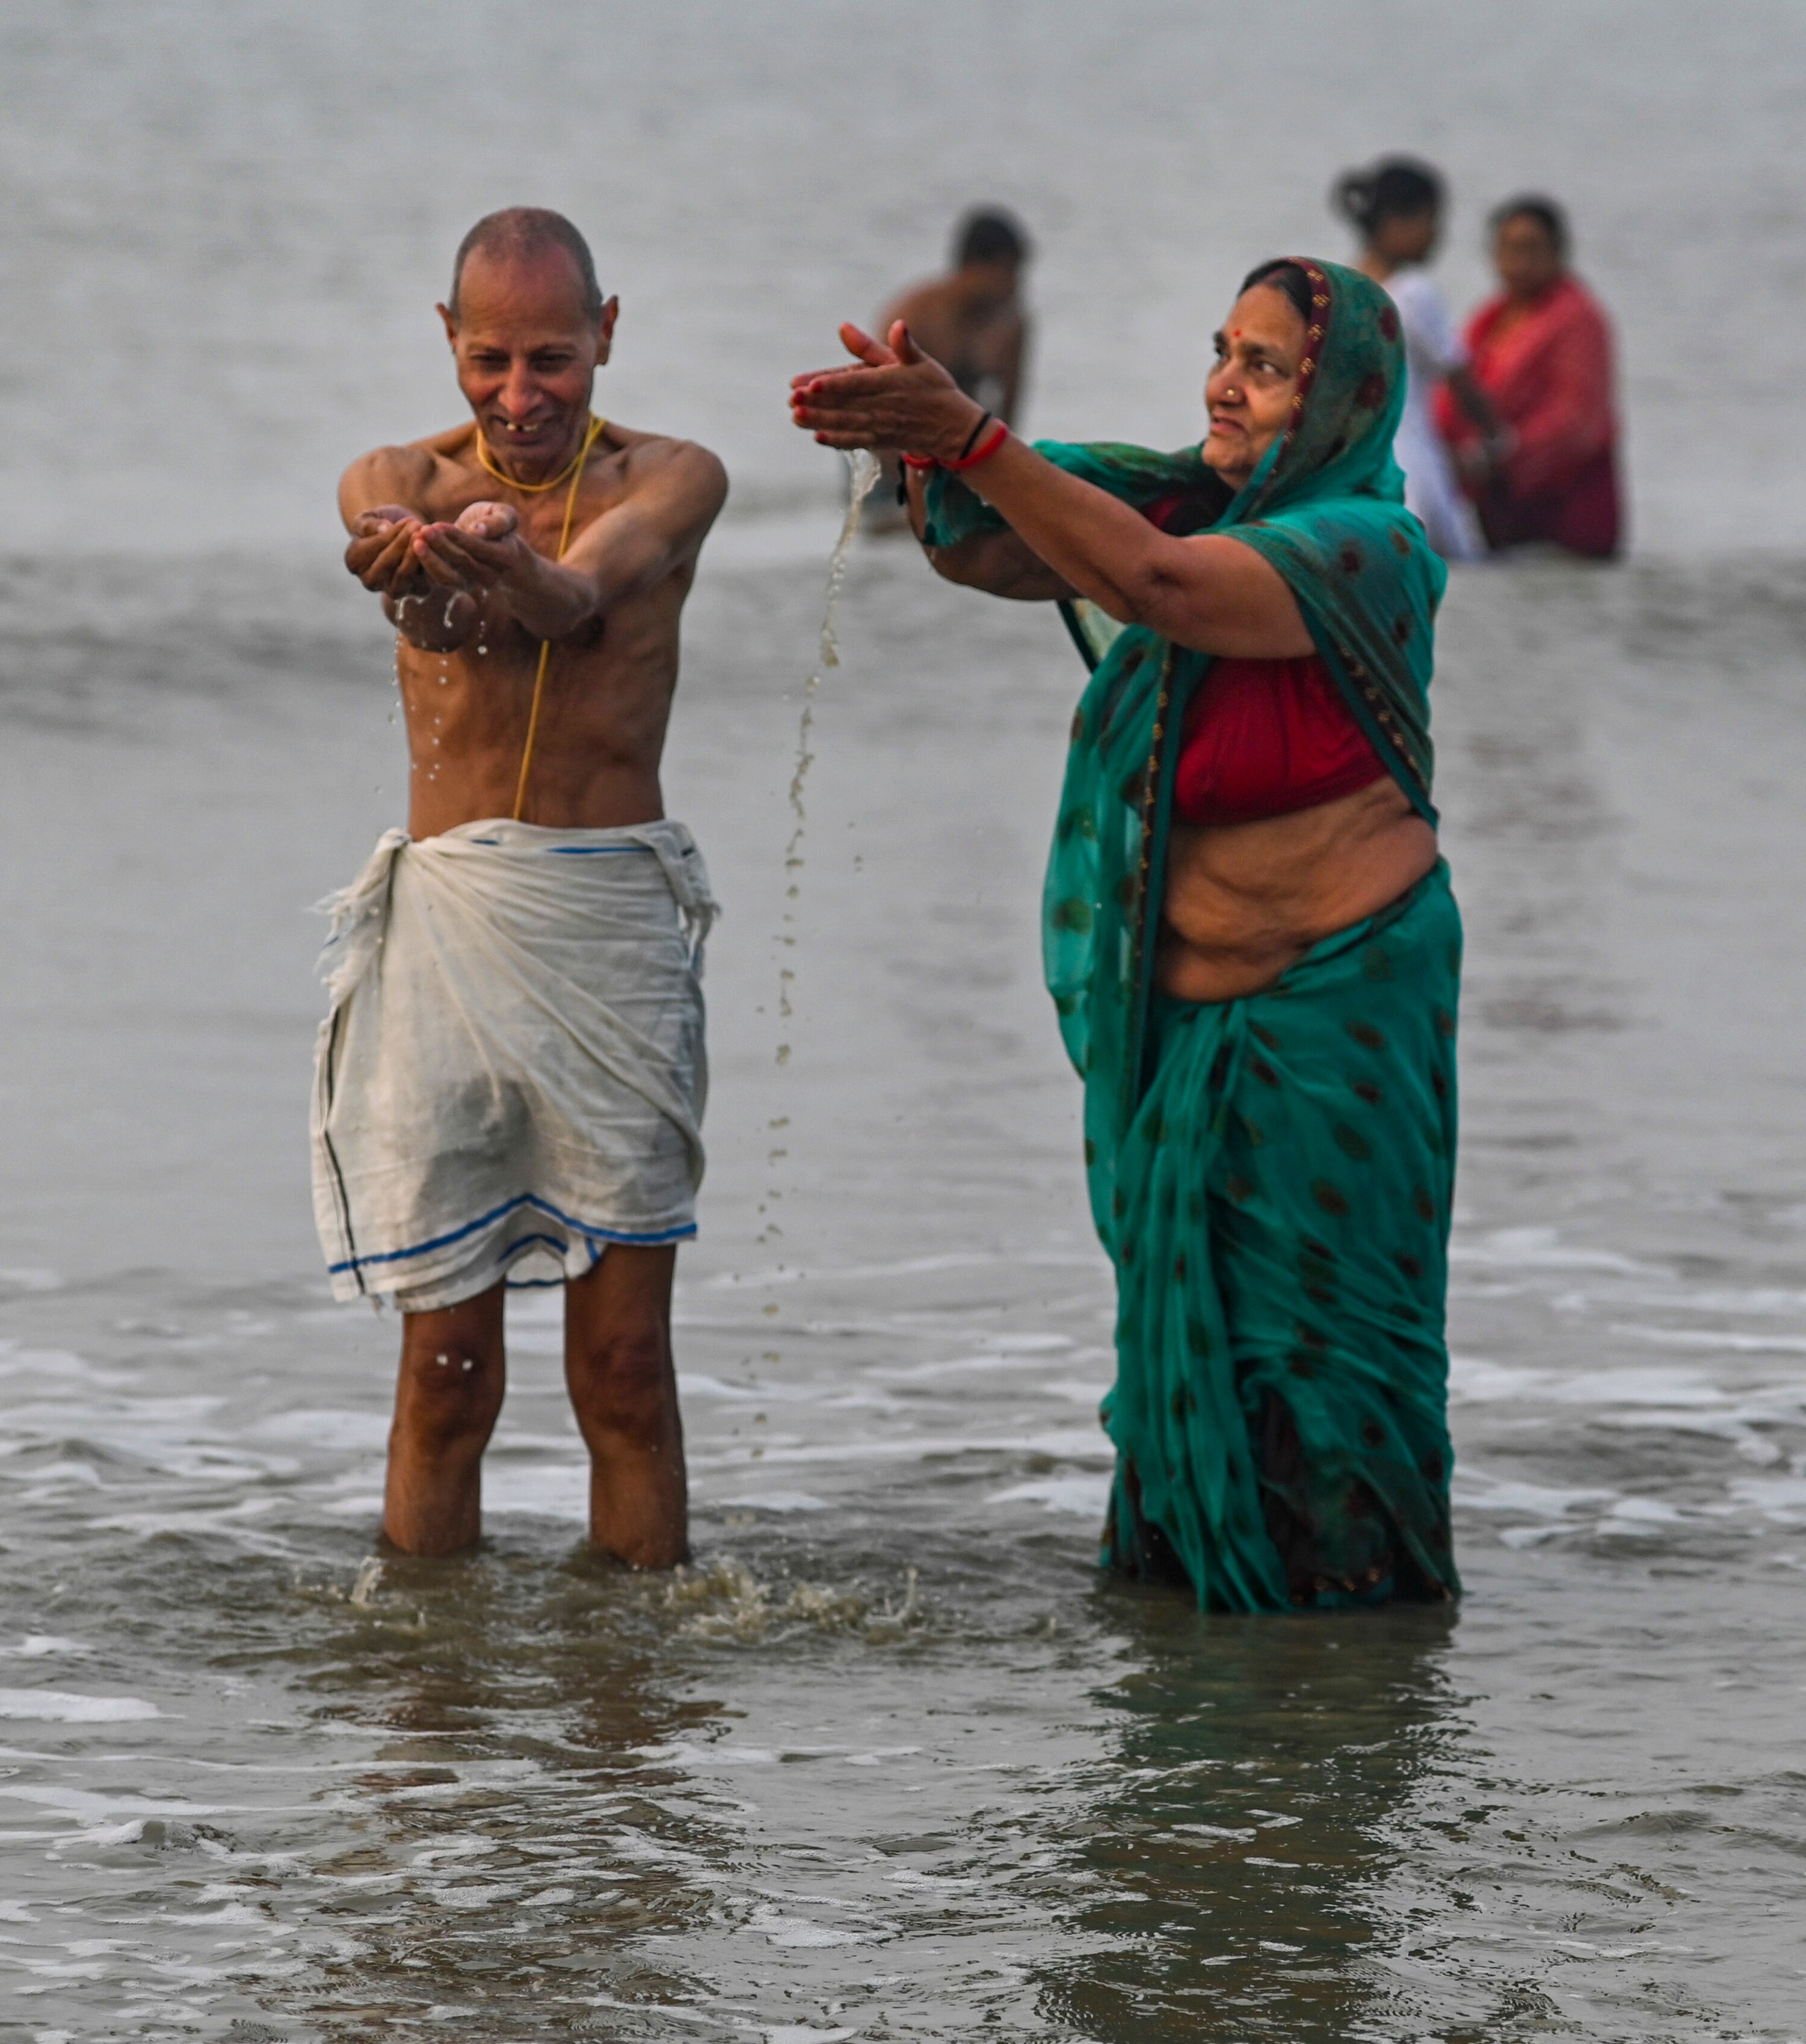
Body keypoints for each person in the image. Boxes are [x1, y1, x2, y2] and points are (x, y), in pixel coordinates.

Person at [789, 257, 1460, 1614]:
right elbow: (987, 542)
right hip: (1191, 1043)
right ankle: (1207, 1683)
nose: (1223, 384)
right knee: (1185, 1384)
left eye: (1265, 367)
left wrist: (975, 435)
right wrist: (935, 441)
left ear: (1339, 401)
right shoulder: (1192, 501)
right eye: (1221, 351)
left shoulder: (1371, 549)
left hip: (1334, 1030)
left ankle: (1361, 1675)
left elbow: (1158, 582)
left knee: (1325, 1394)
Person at [316, 206, 730, 1569]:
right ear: (447, 341)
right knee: (446, 1375)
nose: (519, 394)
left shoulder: (675, 477)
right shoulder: (392, 480)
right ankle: (425, 1675)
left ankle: (636, 1673)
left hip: (608, 932)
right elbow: (424, 611)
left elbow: (574, 601)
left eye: (551, 358)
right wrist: (412, 564)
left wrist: (513, 563)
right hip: (449, 936)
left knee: (623, 1369)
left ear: (606, 334)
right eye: (488, 360)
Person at [1438, 194, 1623, 558]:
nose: (1520, 262)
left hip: (1568, 505)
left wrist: (1499, 455)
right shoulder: (1490, 319)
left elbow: (1575, 420)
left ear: (1558, 252)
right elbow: (1451, 395)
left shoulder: (1578, 319)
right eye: (1509, 249)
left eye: (1532, 249)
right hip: (1500, 505)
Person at [1333, 155, 1496, 561]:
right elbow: (1462, 382)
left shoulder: (1341, 290)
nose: (1437, 235)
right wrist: (1498, 439)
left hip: (1356, 471)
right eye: (1431, 221)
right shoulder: (1414, 292)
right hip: (1415, 464)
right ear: (1396, 221)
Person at [878, 207, 1032, 426]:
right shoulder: (912, 318)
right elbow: (881, 400)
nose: (1014, 286)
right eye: (1007, 272)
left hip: (964, 434)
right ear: (974, 267)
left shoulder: (1009, 326)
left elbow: (1010, 417)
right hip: (901, 428)